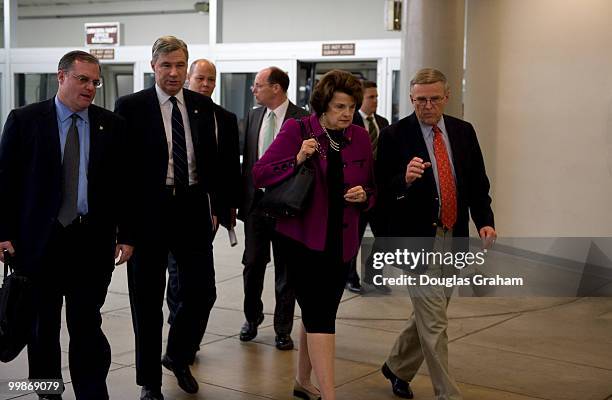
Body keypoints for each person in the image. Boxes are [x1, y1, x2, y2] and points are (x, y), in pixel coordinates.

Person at [0, 50, 133, 400]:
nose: (90, 87)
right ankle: (48, 393)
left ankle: (91, 393)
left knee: (87, 325)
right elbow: (5, 182)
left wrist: (127, 234)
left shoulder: (112, 126)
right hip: (39, 244)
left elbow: (124, 186)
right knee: (42, 328)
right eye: (82, 79)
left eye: (95, 81)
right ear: (61, 77)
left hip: (91, 242)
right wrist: (3, 233)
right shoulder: (25, 120)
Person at [252, 69, 375, 400]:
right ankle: (330, 395)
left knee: (320, 311)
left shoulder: (360, 136)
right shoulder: (298, 130)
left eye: (350, 107)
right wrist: (296, 158)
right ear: (323, 105)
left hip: (342, 240)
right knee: (321, 315)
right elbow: (259, 173)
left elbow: (372, 187)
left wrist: (365, 196)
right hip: (301, 239)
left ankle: (302, 382)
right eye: (339, 106)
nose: (346, 114)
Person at [376, 68, 496, 400]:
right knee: (435, 324)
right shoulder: (394, 136)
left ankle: (397, 366)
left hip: (453, 234)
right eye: (419, 100)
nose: (427, 106)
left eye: (434, 99)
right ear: (411, 98)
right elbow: (381, 193)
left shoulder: (463, 131)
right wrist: (405, 180)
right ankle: (448, 395)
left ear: (446, 97)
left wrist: (484, 220)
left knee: (430, 315)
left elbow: (476, 184)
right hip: (415, 240)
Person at [115, 36, 224, 400]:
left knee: (201, 292)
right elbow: (122, 172)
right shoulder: (130, 106)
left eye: (180, 65)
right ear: (153, 66)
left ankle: (177, 355)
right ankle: (150, 382)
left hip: (192, 206)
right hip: (149, 210)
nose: (174, 72)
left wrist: (217, 208)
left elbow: (212, 162)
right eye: (166, 65)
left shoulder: (200, 106)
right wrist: (124, 228)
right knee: (146, 301)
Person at [165, 59, 241, 357]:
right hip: (170, 207)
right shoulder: (176, 114)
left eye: (211, 79)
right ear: (188, 79)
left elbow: (228, 169)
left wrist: (228, 208)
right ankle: (179, 333)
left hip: (206, 209)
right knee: (177, 276)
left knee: (198, 283)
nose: (206, 84)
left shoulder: (223, 117)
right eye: (201, 78)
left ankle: (186, 337)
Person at [238, 66, 308, 350]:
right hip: (256, 206)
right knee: (252, 264)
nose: (253, 89)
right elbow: (248, 166)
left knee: (286, 271)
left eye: (258, 84)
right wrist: (239, 205)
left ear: (276, 87)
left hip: (286, 207)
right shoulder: (255, 116)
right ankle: (251, 318)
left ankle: (282, 328)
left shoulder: (303, 119)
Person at [345, 80, 390, 293]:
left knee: (384, 236)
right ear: (360, 99)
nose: (375, 101)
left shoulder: (383, 122)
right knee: (355, 237)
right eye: (371, 97)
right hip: (357, 191)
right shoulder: (349, 122)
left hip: (378, 190)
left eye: (377, 96)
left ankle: (374, 275)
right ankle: (350, 277)